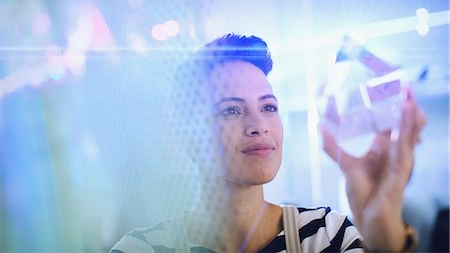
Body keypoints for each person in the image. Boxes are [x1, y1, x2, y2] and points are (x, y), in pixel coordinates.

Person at [110, 33, 427, 253]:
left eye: (268, 107)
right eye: (231, 110)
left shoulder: (328, 236)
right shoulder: (141, 249)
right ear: (189, 134)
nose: (259, 126)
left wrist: (384, 236)